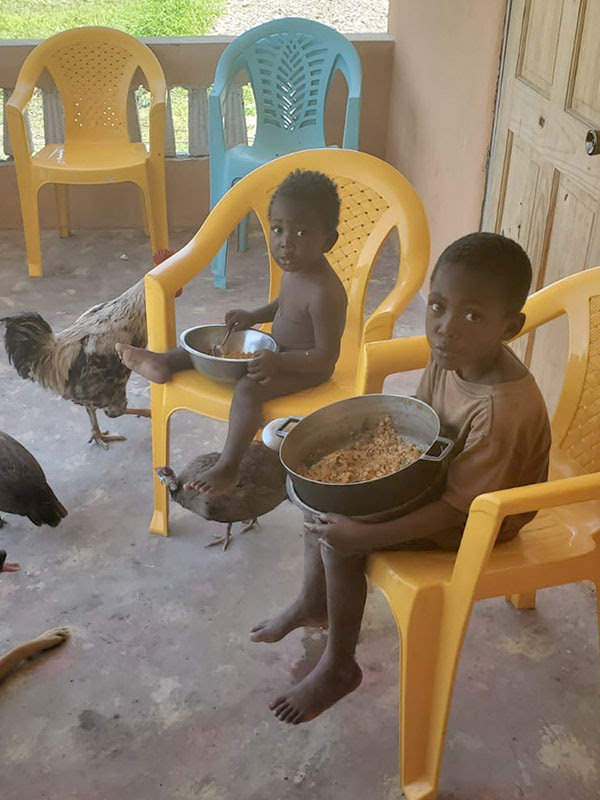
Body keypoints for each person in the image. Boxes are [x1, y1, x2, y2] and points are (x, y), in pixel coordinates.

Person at [251, 232, 552, 725]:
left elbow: (463, 510)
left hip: (484, 518)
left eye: (472, 315)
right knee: (327, 493)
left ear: (511, 326)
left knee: (342, 538)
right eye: (438, 306)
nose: (445, 329)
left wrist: (367, 534)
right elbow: (421, 420)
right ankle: (313, 602)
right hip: (449, 479)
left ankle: (339, 666)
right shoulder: (452, 353)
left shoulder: (501, 411)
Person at [116, 170, 347, 495]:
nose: (285, 242)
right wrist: (254, 316)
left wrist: (280, 364)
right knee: (212, 351)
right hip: (276, 352)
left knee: (248, 390)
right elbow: (283, 305)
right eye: (278, 229)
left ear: (328, 241)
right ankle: (166, 362)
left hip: (306, 369)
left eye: (301, 232)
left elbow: (326, 357)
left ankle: (227, 467)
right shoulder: (296, 271)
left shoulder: (325, 292)